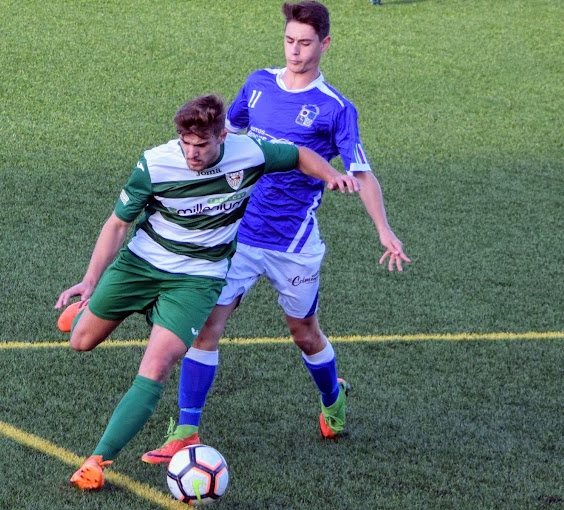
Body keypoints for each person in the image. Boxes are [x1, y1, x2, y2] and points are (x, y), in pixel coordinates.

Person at [141, 1, 410, 465]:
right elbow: (227, 139)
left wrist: (384, 230)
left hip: (292, 246)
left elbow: (362, 172)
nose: (295, 51)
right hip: (239, 235)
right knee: (207, 326)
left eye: (305, 43)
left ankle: (333, 397)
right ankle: (186, 430)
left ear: (324, 44)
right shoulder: (258, 84)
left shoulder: (336, 108)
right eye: (289, 41)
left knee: (305, 334)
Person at [55, 93, 361, 490]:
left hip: (198, 279)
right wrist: (90, 281)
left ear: (222, 137)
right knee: (81, 343)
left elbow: (300, 154)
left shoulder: (248, 152)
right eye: (186, 144)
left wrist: (329, 176)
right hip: (141, 265)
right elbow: (117, 224)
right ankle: (89, 311)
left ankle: (97, 461)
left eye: (201, 146)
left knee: (157, 367)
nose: (193, 154)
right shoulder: (155, 164)